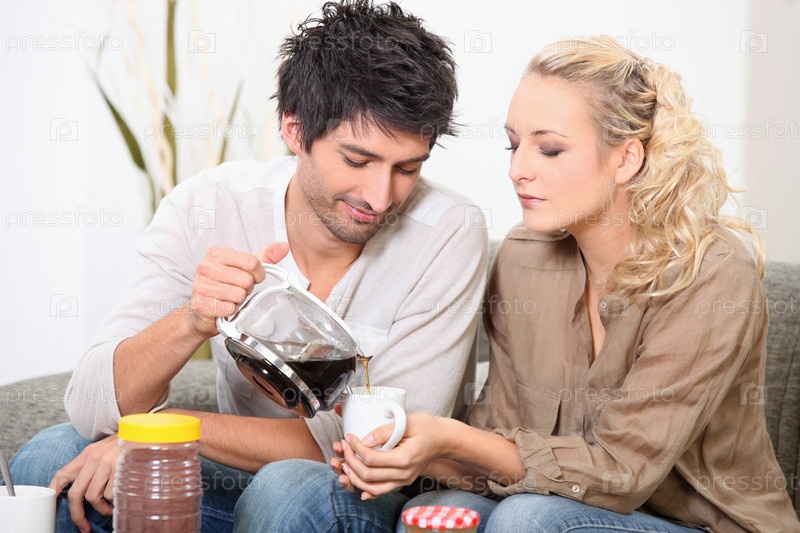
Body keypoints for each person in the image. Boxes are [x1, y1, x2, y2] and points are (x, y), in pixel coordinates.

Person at [251, 36, 800, 532]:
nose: (518, 170)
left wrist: (451, 438)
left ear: (626, 157)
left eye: (550, 149)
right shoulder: (524, 258)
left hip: (694, 524)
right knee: (387, 500)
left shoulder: (710, 273)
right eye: (514, 145)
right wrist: (411, 454)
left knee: (529, 519)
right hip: (542, 505)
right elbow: (499, 447)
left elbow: (623, 474)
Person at [9, 1, 489, 531]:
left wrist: (169, 428)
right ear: (294, 130)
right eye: (357, 160)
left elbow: (364, 444)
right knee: (51, 459)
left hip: (361, 495)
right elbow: (92, 404)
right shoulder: (209, 205)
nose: (380, 197)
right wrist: (193, 319)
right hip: (235, 482)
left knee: (288, 488)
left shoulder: (448, 230)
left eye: (407, 169)